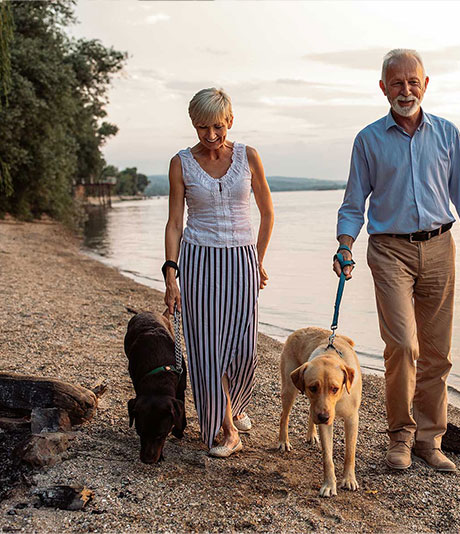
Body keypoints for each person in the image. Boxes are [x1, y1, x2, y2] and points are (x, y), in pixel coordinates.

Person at [335, 49, 460, 472]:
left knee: (438, 353)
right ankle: (400, 437)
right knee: (404, 346)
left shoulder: (447, 134)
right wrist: (345, 245)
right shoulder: (368, 140)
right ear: (383, 88)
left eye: (413, 82)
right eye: (397, 83)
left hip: (440, 247)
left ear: (426, 84)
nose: (406, 90)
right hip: (389, 250)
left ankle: (429, 439)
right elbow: (353, 203)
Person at [164, 88, 274, 457]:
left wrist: (256, 259)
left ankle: (234, 404)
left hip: (241, 259)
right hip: (198, 260)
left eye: (217, 127)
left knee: (244, 349)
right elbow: (175, 224)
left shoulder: (249, 156)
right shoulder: (181, 163)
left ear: (230, 121)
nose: (211, 136)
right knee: (207, 351)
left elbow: (267, 213)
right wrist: (170, 275)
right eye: (201, 128)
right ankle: (226, 428)